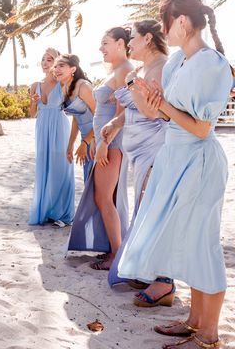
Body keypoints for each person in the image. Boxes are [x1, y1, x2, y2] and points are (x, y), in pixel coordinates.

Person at [118, 0, 232, 349]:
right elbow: (162, 114)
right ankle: (193, 321)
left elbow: (200, 128)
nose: (163, 29)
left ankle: (210, 333)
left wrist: (164, 105)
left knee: (203, 244)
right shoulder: (177, 63)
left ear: (182, 21)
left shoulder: (213, 64)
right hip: (173, 156)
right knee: (187, 241)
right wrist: (149, 98)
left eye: (164, 21)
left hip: (198, 161)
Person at [101, 20, 169, 291]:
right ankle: (143, 270)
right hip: (138, 150)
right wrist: (115, 124)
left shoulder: (165, 67)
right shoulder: (141, 70)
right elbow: (133, 109)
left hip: (155, 146)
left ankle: (158, 277)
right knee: (144, 210)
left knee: (150, 209)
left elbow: (154, 111)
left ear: (148, 39)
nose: (129, 44)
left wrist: (132, 83)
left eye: (133, 38)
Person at [67, 27, 133, 269]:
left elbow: (122, 111)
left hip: (112, 143)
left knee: (104, 197)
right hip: (106, 142)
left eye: (105, 43)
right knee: (108, 197)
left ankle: (116, 254)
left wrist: (104, 143)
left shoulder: (126, 69)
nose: (101, 48)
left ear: (120, 43)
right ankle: (114, 251)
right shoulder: (116, 70)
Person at [28, 48, 75, 227]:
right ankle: (46, 210)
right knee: (44, 166)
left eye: (50, 59)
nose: (46, 63)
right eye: (43, 60)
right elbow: (33, 113)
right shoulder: (35, 85)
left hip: (59, 126)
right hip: (42, 126)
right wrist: (33, 101)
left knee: (60, 167)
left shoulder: (64, 83)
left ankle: (61, 214)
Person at [53, 54, 96, 183]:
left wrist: (86, 142)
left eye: (61, 65)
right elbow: (77, 118)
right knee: (88, 182)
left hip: (97, 138)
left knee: (95, 185)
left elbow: (101, 118)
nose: (57, 69)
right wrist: (70, 144)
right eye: (55, 66)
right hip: (86, 139)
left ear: (73, 69)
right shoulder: (64, 88)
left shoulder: (83, 87)